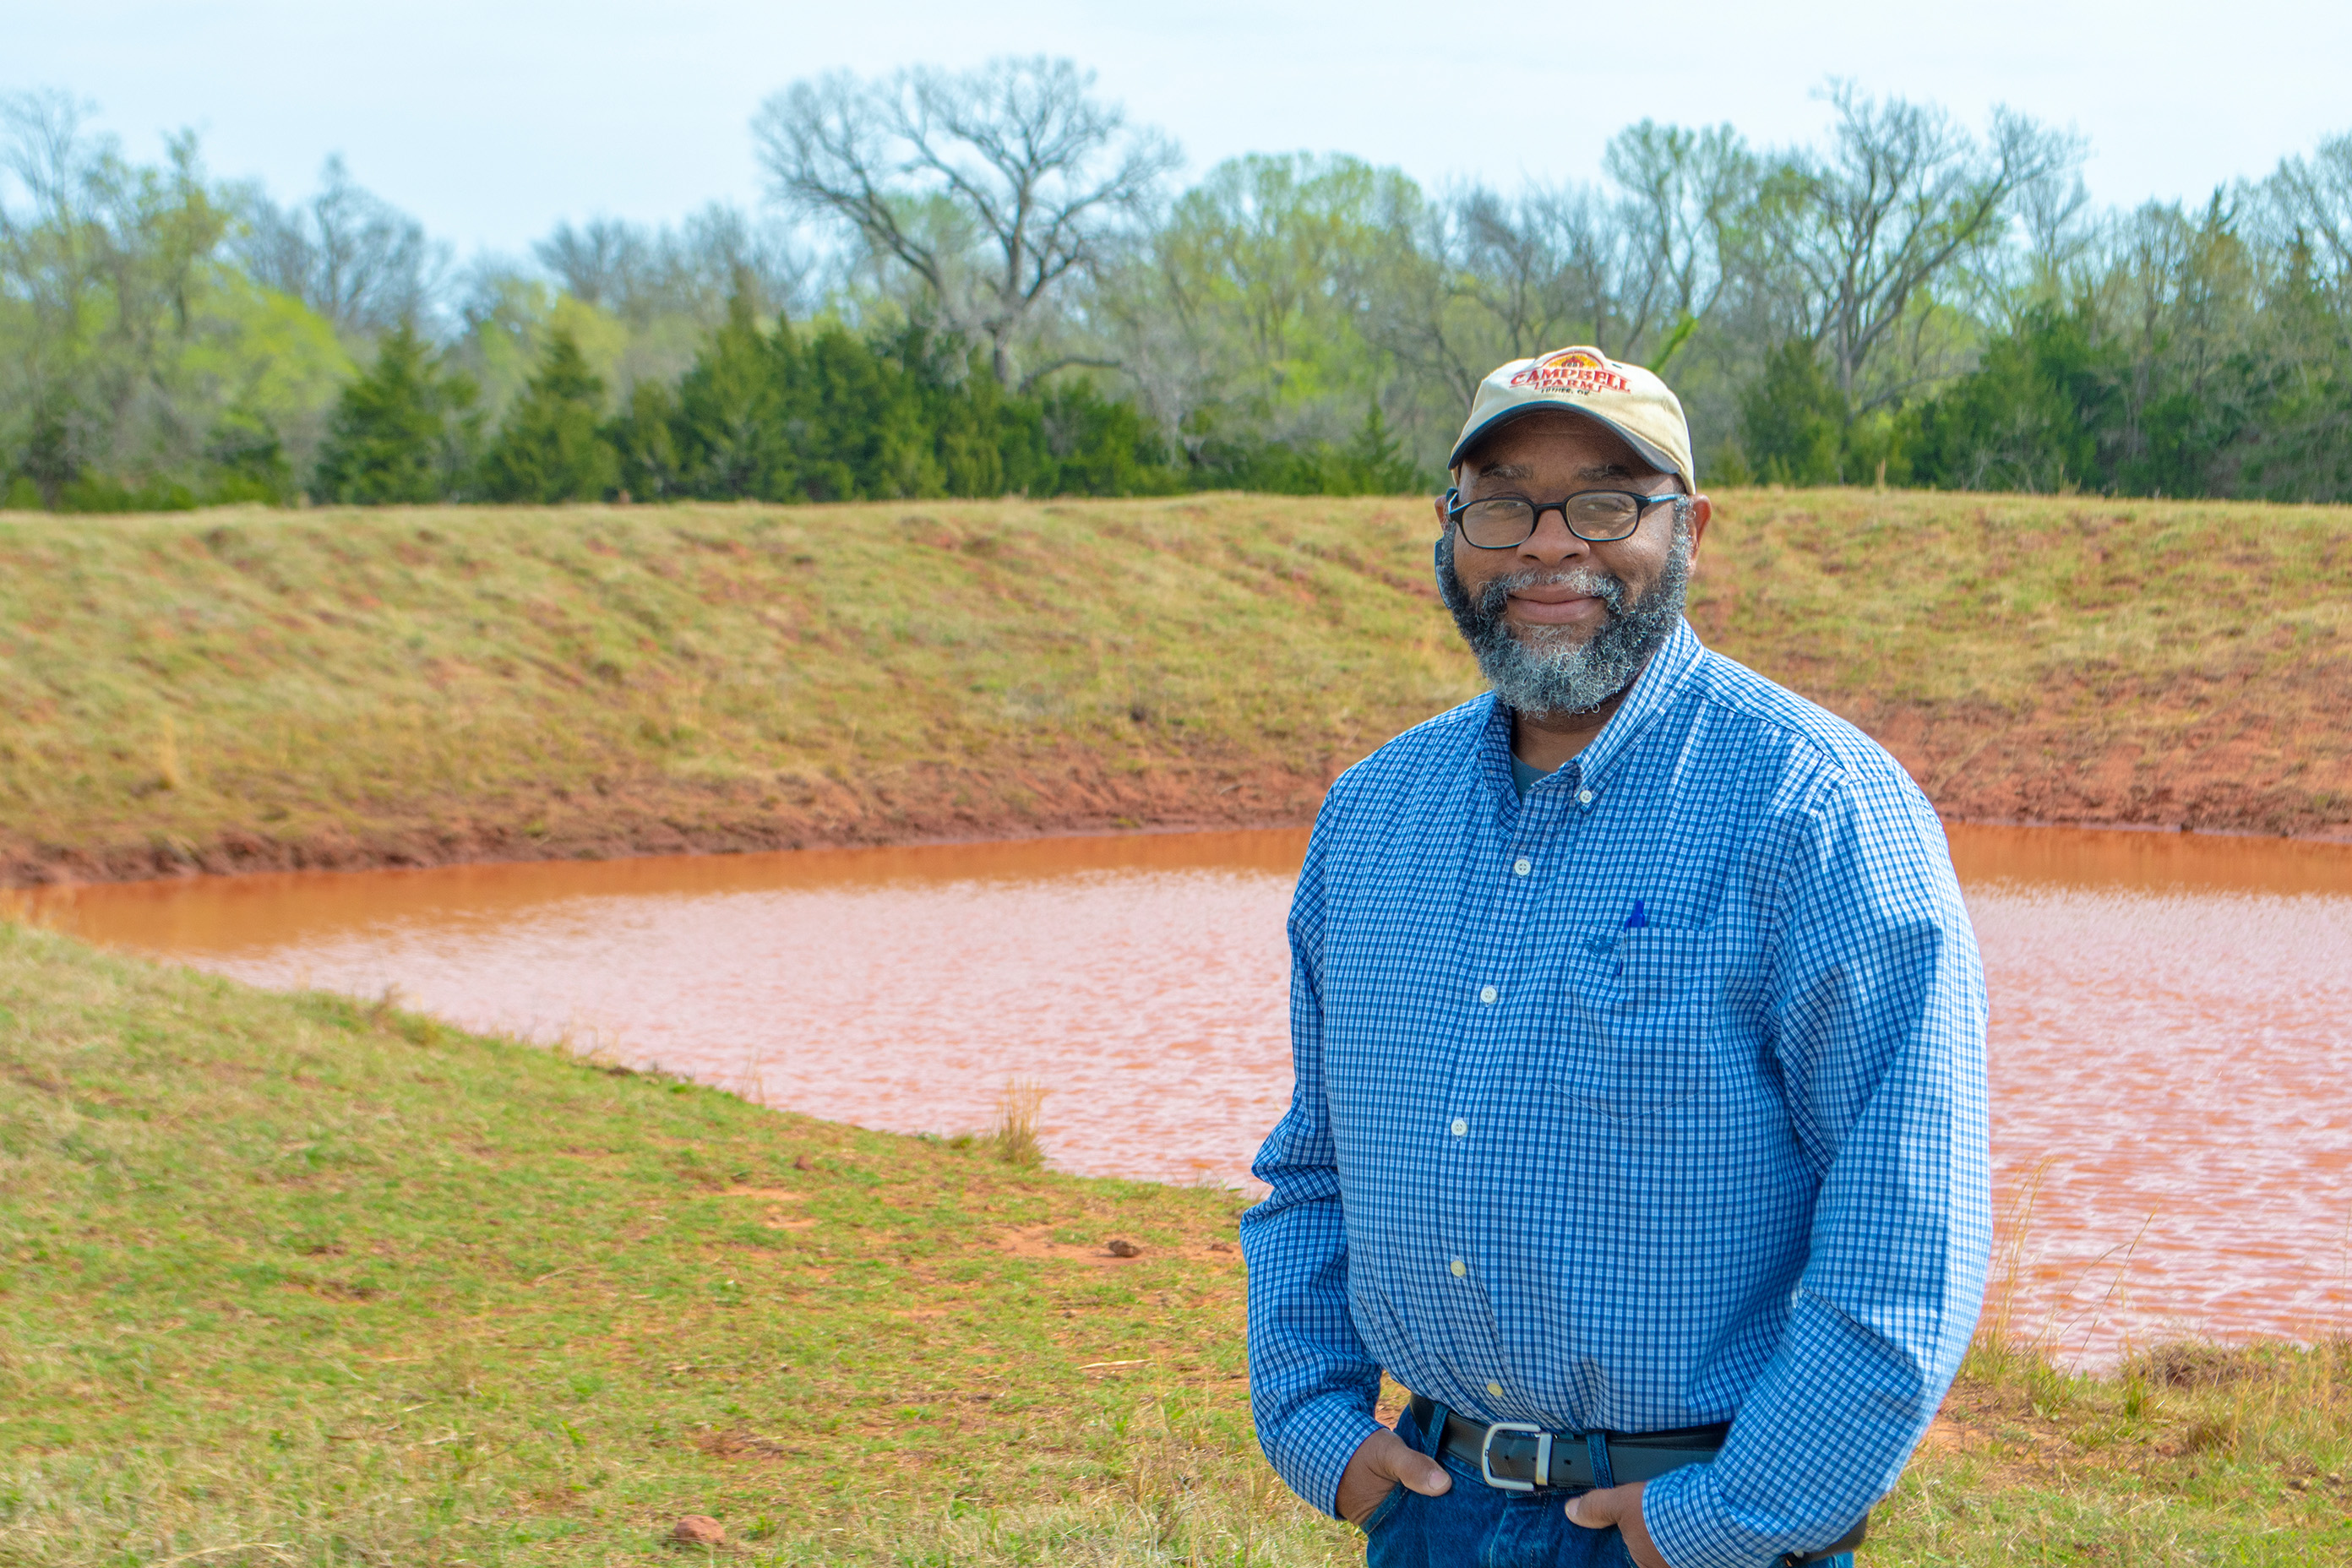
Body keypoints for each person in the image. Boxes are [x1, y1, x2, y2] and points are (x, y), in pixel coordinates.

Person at [1238, 346, 1991, 1568]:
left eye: (1605, 501)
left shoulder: (1817, 807)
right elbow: (1316, 1167)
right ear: (1450, 530)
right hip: (1430, 1508)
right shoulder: (1372, 816)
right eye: (1501, 501)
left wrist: (1726, 1521)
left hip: (1687, 1520)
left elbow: (1907, 1228)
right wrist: (1315, 1425)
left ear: (1688, 528)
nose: (1548, 544)